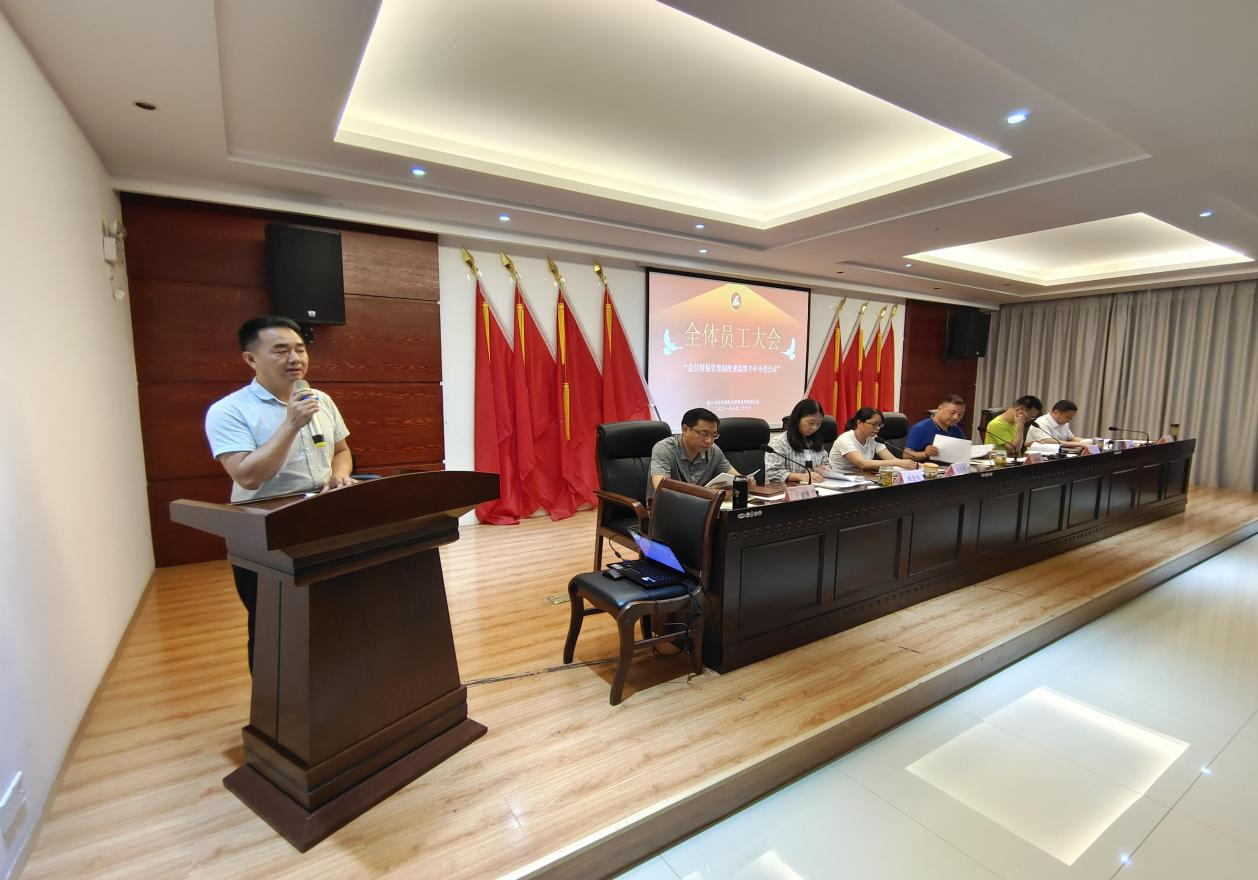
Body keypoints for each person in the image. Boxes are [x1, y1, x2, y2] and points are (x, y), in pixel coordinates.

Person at [204, 316, 355, 671]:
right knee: (272, 622)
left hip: (323, 520)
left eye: (300, 349)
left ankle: (334, 686)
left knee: (333, 612)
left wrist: (339, 475)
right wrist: (290, 424)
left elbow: (342, 450)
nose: (295, 358)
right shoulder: (229, 411)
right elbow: (247, 476)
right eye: (281, 351)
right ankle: (275, 701)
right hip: (265, 530)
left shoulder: (320, 400)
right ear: (250, 359)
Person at [648, 407, 738, 499]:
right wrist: (708, 493)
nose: (709, 441)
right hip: (667, 505)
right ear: (685, 429)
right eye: (704, 434)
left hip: (702, 505)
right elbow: (662, 489)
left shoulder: (713, 450)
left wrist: (738, 486)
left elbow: (738, 479)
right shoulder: (664, 449)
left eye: (714, 435)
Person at [829, 407, 920, 476]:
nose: (877, 428)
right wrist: (897, 463)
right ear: (859, 423)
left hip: (861, 478)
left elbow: (892, 460)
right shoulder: (845, 439)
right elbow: (862, 463)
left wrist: (918, 465)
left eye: (880, 425)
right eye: (874, 424)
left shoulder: (874, 439)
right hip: (840, 480)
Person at [766, 399, 830, 484]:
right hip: (785, 490)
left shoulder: (816, 442)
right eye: (811, 423)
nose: (814, 427)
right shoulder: (779, 443)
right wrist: (802, 476)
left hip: (817, 488)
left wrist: (824, 469)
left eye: (818, 424)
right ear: (797, 419)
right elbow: (772, 473)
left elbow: (827, 464)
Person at [903, 394, 968, 462]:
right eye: (952, 413)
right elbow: (905, 455)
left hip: (949, 466)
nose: (956, 417)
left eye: (960, 414)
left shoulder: (955, 428)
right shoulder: (920, 428)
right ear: (939, 409)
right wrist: (925, 454)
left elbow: (964, 450)